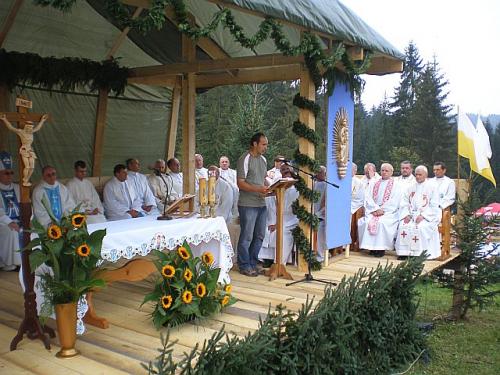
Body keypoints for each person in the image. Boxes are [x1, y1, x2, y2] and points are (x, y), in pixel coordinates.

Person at [236, 132, 269, 276]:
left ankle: (253, 262)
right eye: (263, 144)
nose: (266, 147)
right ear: (254, 144)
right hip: (247, 204)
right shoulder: (245, 158)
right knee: (247, 236)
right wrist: (259, 189)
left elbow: (263, 180)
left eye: (266, 144)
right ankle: (244, 265)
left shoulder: (264, 160)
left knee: (260, 235)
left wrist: (271, 187)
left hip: (261, 203)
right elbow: (240, 183)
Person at [396, 166, 441, 259]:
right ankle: (404, 253)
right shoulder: (410, 187)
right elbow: (404, 203)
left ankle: (418, 254)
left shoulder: (432, 188)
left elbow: (434, 205)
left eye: (420, 175)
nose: (417, 177)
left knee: (420, 228)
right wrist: (406, 215)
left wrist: (423, 216)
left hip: (426, 217)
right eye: (416, 174)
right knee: (403, 226)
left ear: (426, 175)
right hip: (411, 215)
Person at [259, 164, 299, 265]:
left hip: (292, 218)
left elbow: (292, 209)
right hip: (278, 217)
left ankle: (280, 263)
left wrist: (277, 224)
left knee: (282, 230)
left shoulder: (297, 187)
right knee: (264, 228)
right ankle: (265, 259)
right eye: (283, 170)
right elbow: (272, 201)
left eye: (287, 169)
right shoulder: (279, 185)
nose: (285, 171)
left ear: (292, 170)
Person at [358, 163, 402, 257]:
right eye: (382, 170)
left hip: (388, 212)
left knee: (382, 223)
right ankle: (371, 247)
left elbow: (395, 201)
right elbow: (368, 197)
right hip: (374, 211)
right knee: (366, 222)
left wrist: (382, 210)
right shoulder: (374, 183)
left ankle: (381, 248)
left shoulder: (396, 185)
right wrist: (375, 209)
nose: (384, 172)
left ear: (391, 172)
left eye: (387, 171)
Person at [0, 113, 48, 186]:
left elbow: (38, 128)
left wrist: (42, 121)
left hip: (30, 150)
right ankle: (25, 179)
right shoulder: (21, 132)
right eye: (28, 127)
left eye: (31, 127)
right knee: (27, 166)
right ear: (26, 126)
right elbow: (11, 128)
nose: (30, 128)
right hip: (24, 149)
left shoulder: (31, 132)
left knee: (32, 167)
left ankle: (26, 179)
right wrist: (5, 119)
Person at [0, 152, 21, 271]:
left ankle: (24, 261)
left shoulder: (17, 188)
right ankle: (9, 263)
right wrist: (9, 222)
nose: (9, 176)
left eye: (11, 173)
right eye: (6, 173)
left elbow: (25, 205)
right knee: (11, 231)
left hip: (18, 220)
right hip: (3, 223)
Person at [219, 155, 239, 220]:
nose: (224, 163)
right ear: (220, 163)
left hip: (233, 192)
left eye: (226, 162)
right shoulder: (216, 172)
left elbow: (236, 184)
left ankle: (234, 213)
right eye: (222, 162)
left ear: (229, 163)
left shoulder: (234, 172)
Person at [314, 166, 327, 262]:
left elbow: (325, 204)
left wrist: (318, 214)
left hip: (321, 215)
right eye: (317, 172)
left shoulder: (327, 185)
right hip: (310, 213)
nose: (318, 174)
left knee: (319, 227)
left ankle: (320, 255)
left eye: (321, 172)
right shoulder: (312, 183)